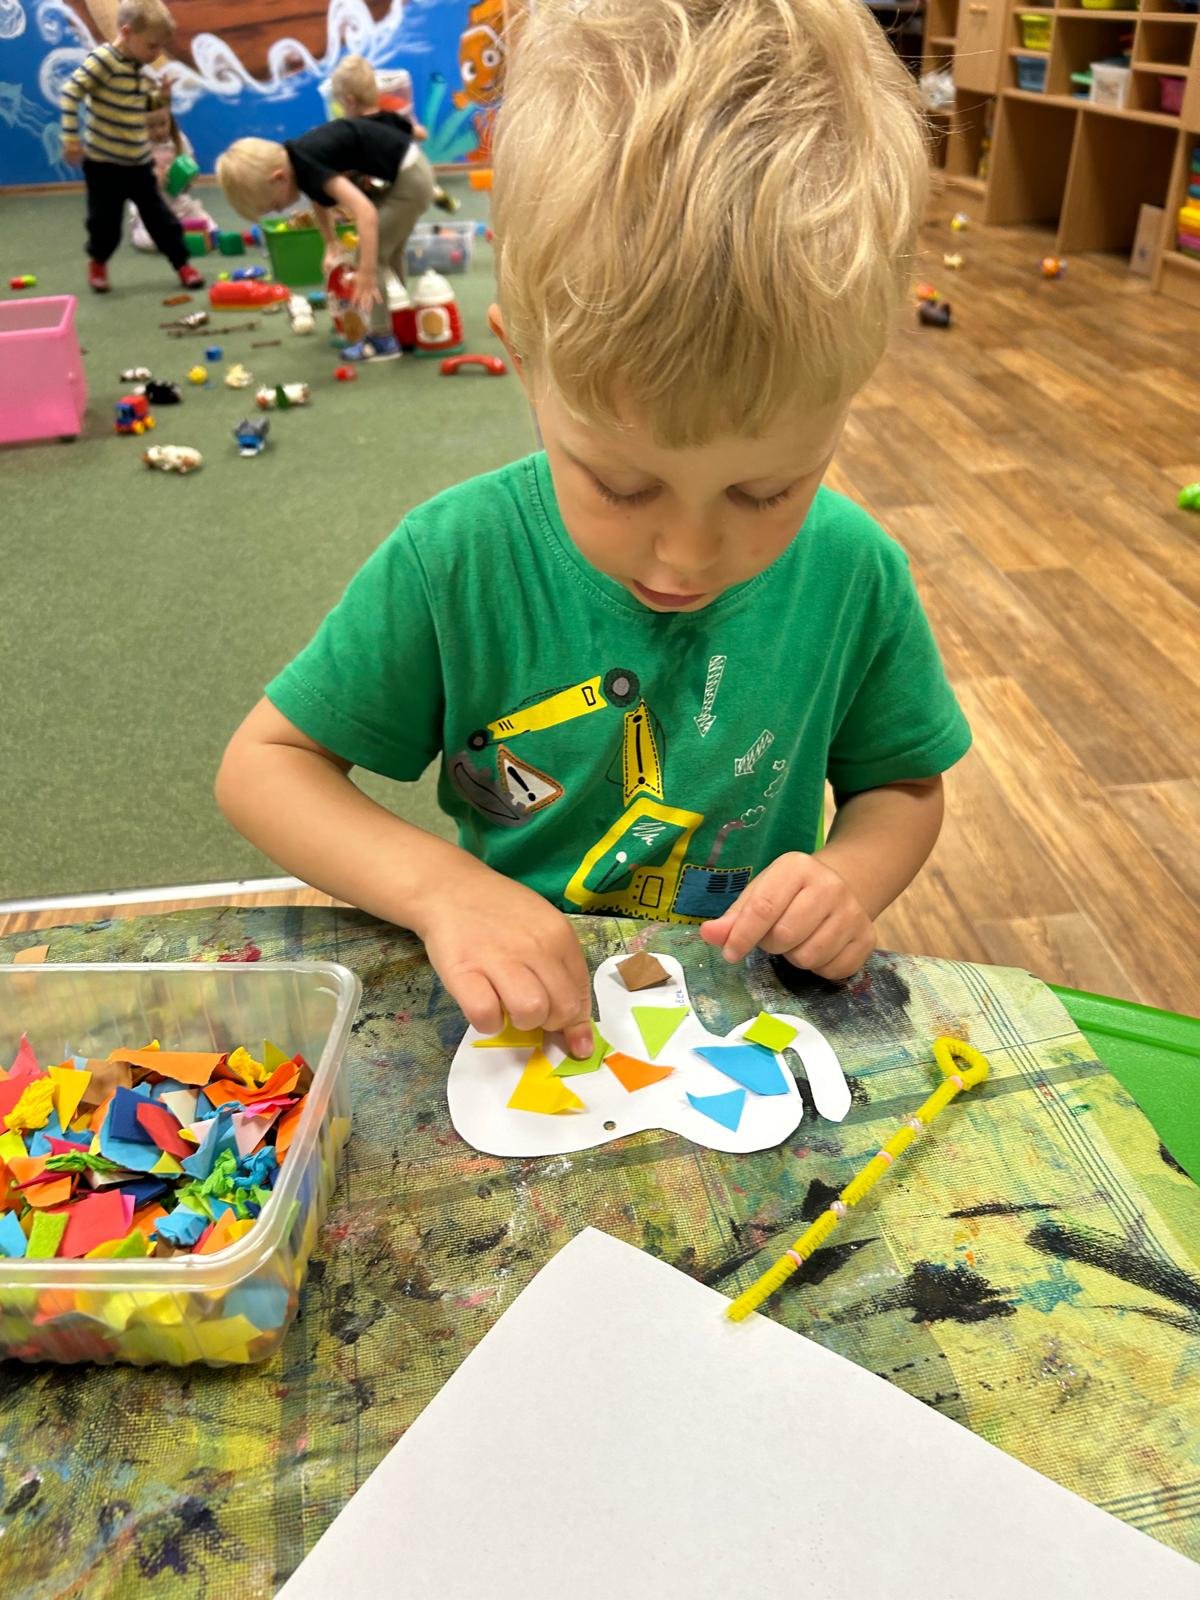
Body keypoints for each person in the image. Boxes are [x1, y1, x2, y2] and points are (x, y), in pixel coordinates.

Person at [215, 0, 971, 1063]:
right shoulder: (455, 558)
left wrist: (850, 878)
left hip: (738, 1028)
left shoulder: (856, 573)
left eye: (766, 492)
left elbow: (902, 785)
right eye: (621, 484)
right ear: (524, 363)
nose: (687, 555)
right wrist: (443, 889)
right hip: (525, 1026)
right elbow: (265, 766)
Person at [215, 103, 435, 361]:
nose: (279, 210)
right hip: (408, 171)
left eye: (274, 205)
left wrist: (366, 271)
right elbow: (319, 199)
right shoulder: (299, 157)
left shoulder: (306, 163)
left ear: (278, 178)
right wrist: (330, 242)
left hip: (409, 181)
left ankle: (382, 338)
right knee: (390, 249)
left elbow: (365, 213)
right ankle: (398, 317)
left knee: (371, 256)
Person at [60, 0, 204, 294]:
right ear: (126, 32)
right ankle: (98, 262)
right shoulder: (103, 60)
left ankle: (182, 264)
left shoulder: (136, 65)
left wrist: (162, 98)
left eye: (161, 46)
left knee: (160, 217)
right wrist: (71, 138)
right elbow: (71, 91)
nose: (157, 54)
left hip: (138, 162)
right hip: (104, 163)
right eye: (152, 45)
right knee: (105, 224)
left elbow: (136, 105)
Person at [329, 53, 460, 214]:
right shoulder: (387, 118)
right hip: (397, 172)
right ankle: (442, 200)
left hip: (389, 176)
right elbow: (421, 134)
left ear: (349, 102)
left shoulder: (357, 128)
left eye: (341, 104)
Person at [129, 104, 217, 251]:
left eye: (163, 124)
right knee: (152, 242)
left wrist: (188, 174)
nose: (158, 131)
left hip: (179, 203)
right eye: (150, 127)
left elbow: (192, 166)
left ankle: (178, 230)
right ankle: (139, 227)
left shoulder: (178, 139)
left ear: (170, 120)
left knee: (211, 230)